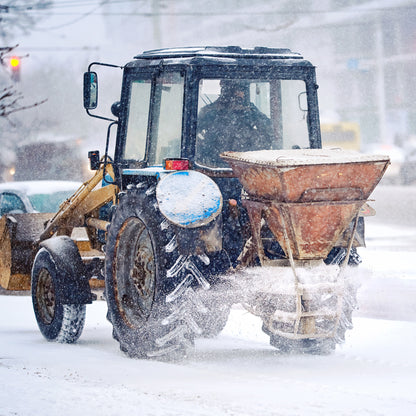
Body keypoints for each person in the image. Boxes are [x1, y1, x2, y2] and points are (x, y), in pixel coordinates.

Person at [196, 80, 275, 168]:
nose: (238, 94)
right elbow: (193, 135)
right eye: (231, 90)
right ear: (223, 90)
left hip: (246, 165)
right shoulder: (210, 112)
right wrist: (205, 151)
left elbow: (269, 133)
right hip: (212, 166)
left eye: (241, 90)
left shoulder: (251, 111)